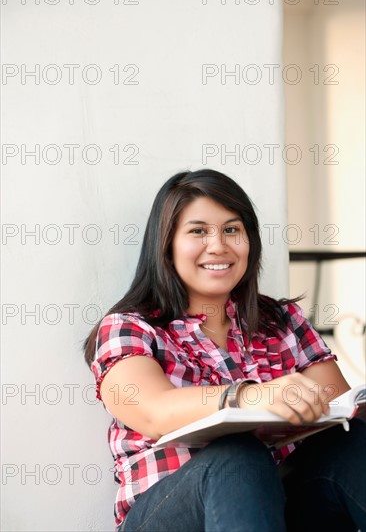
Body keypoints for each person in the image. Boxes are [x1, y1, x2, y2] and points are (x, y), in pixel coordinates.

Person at [83, 169, 366, 532]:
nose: (218, 245)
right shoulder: (130, 327)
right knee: (237, 455)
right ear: (166, 245)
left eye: (232, 229)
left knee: (349, 441)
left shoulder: (281, 321)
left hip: (276, 504)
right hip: (171, 513)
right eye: (198, 231)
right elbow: (153, 410)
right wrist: (250, 397)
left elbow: (337, 409)